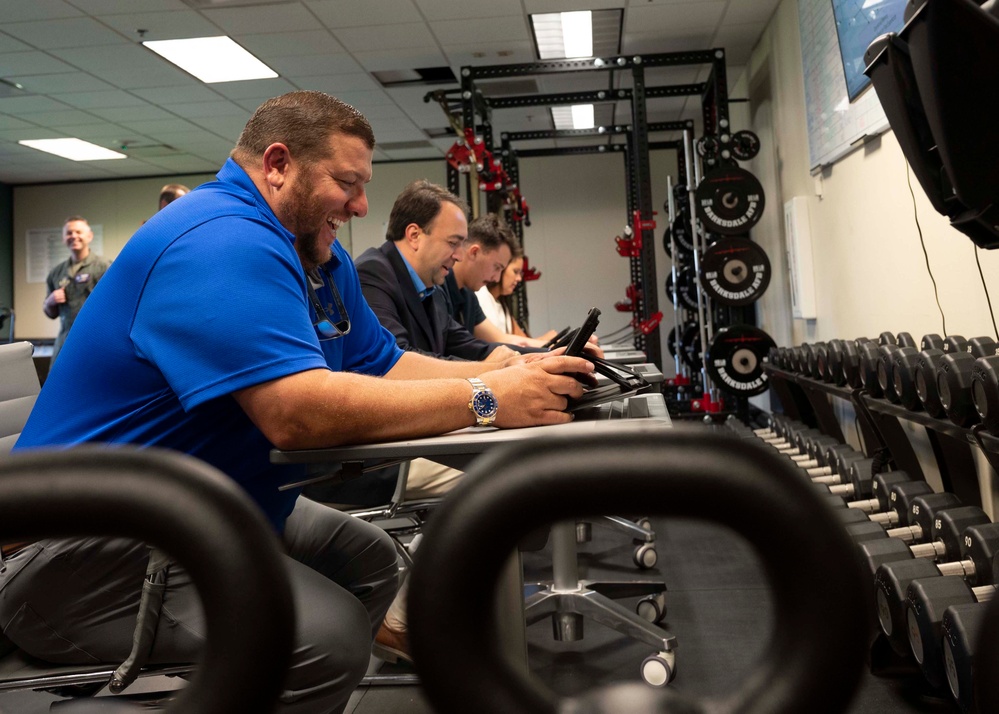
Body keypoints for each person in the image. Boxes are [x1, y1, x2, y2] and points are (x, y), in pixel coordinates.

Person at [5, 91, 592, 714]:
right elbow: (295, 414)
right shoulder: (219, 240)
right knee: (324, 638)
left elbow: (384, 365)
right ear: (278, 164)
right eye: (347, 182)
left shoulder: (315, 251)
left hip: (207, 506)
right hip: (77, 551)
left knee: (371, 560)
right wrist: (483, 399)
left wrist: (498, 374)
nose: (363, 205)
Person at [354, 180, 516, 363]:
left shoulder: (432, 290)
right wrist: (493, 368)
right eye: (453, 243)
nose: (460, 256)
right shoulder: (372, 275)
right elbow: (398, 361)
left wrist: (533, 359)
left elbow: (469, 347)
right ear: (414, 236)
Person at [42, 216, 110, 364]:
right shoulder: (56, 272)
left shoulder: (104, 267)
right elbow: (50, 312)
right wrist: (50, 301)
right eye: (69, 233)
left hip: (96, 340)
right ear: (63, 238)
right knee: (57, 383)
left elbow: (116, 306)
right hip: (65, 341)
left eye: (78, 232)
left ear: (89, 236)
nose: (74, 236)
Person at [477, 240, 560, 347]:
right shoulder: (481, 295)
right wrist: (546, 341)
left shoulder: (502, 306)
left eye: (520, 273)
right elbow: (501, 342)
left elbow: (522, 340)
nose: (519, 278)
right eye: (515, 272)